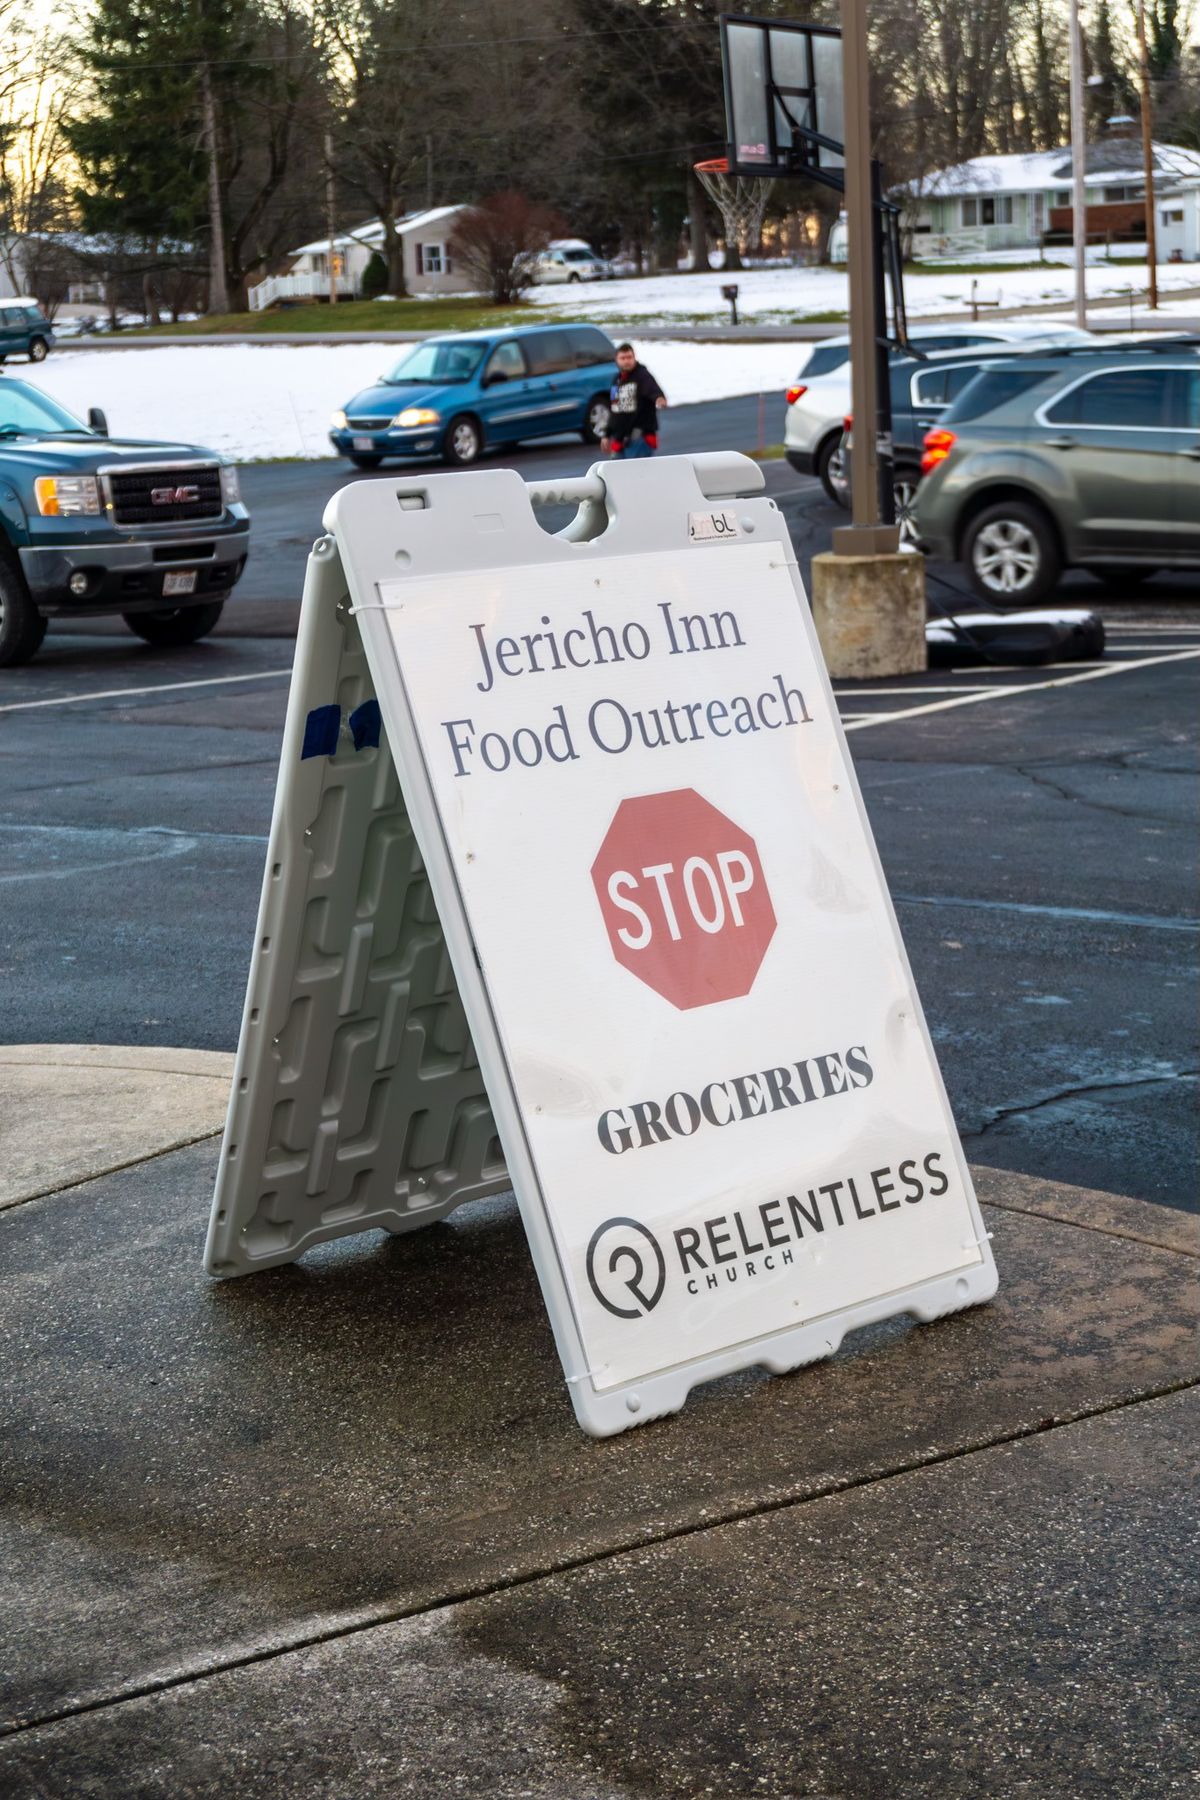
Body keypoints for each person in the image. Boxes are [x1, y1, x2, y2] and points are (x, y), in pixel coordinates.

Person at [604, 344, 666, 458]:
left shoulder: (642, 375)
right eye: (623, 358)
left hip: (639, 437)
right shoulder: (617, 381)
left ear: (634, 358)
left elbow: (653, 390)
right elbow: (615, 409)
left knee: (636, 474)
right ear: (616, 360)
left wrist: (659, 398)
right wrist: (606, 435)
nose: (627, 361)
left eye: (629, 357)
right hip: (620, 439)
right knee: (615, 473)